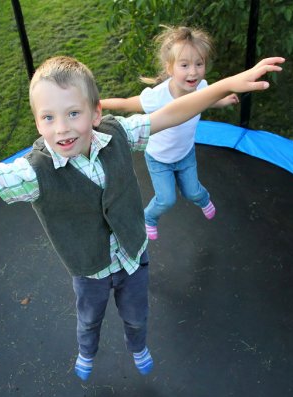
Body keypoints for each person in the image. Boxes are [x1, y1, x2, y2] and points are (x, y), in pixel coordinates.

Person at [0, 55, 284, 381]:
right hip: (87, 268)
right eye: (48, 118)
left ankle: (138, 345)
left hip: (133, 255)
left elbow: (171, 113)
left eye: (72, 114)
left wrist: (226, 84)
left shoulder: (119, 135)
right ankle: (87, 352)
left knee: (136, 312)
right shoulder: (33, 172)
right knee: (88, 318)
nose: (62, 128)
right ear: (37, 122)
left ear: (96, 112)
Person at [101, 26, 239, 240]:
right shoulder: (158, 96)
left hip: (185, 155)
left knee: (193, 192)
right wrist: (98, 104)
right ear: (170, 68)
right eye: (184, 65)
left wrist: (223, 100)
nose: (193, 72)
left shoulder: (202, 86)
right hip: (159, 159)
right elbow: (127, 104)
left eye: (199, 64)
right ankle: (149, 217)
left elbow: (209, 98)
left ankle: (203, 199)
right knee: (166, 199)